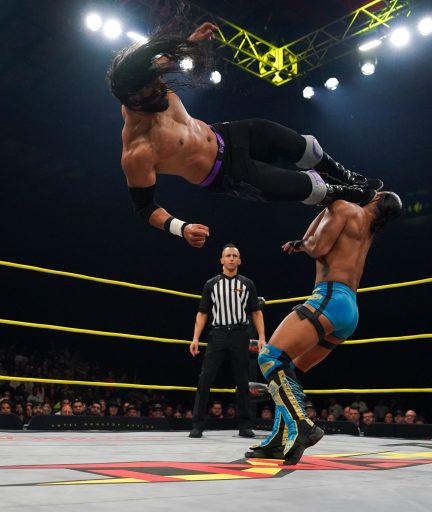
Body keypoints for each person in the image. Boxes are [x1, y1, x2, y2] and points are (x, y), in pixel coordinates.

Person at [107, 18, 383, 249]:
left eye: (158, 83)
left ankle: (348, 177)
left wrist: (193, 41)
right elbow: (144, 207)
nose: (161, 88)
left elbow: (168, 59)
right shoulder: (138, 152)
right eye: (153, 90)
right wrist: (182, 228)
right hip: (227, 174)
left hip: (228, 134)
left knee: (304, 146)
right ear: (134, 100)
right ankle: (353, 194)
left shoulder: (145, 80)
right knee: (309, 188)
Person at [249, 191, 402, 464]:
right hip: (348, 309)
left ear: (376, 198)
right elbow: (313, 241)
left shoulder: (344, 207)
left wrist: (330, 201)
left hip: (329, 297)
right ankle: (281, 439)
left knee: (270, 357)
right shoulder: (366, 226)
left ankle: (302, 426)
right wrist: (308, 236)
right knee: (290, 370)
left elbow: (316, 247)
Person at [189, 243, 265, 438]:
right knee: (205, 378)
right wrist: (195, 338)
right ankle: (197, 425)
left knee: (243, 380)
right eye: (228, 255)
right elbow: (202, 313)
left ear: (239, 260)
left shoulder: (247, 284)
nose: (231, 258)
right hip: (218, 334)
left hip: (240, 334)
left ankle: (245, 425)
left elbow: (256, 312)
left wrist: (262, 337)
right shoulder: (211, 284)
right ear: (221, 260)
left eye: (234, 256)